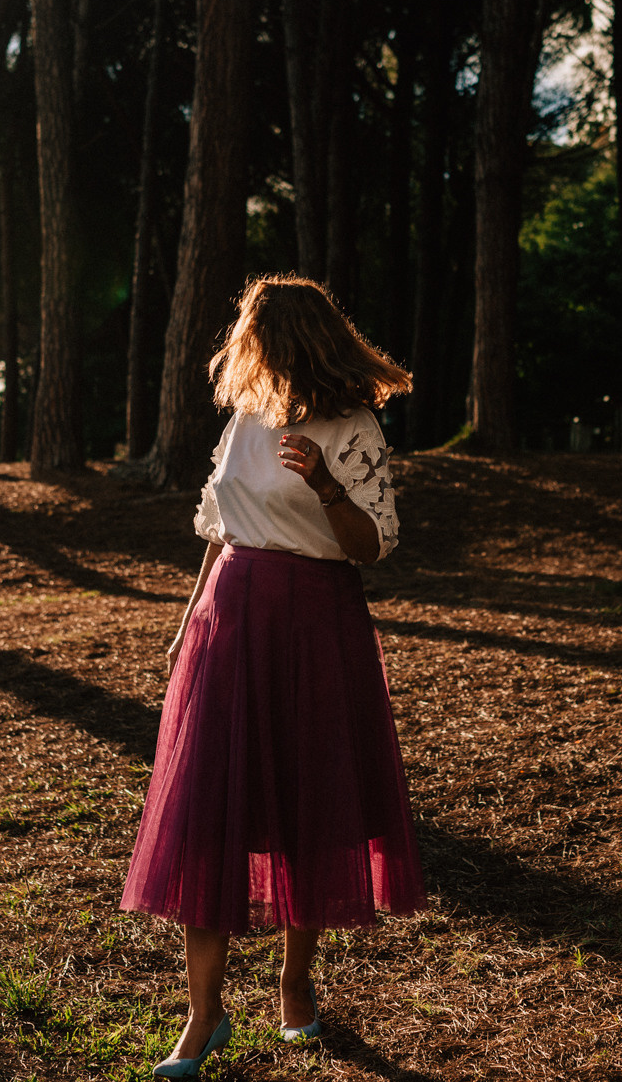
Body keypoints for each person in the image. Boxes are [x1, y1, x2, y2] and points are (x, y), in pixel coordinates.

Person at [121, 275, 426, 1077]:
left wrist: (326, 482)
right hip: (232, 621)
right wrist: (189, 622)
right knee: (205, 813)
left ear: (299, 342)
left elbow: (373, 545)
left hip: (316, 622)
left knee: (305, 804)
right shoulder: (244, 422)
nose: (249, 351)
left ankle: (296, 981)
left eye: (260, 338)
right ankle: (203, 1016)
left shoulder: (354, 426)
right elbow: (218, 532)